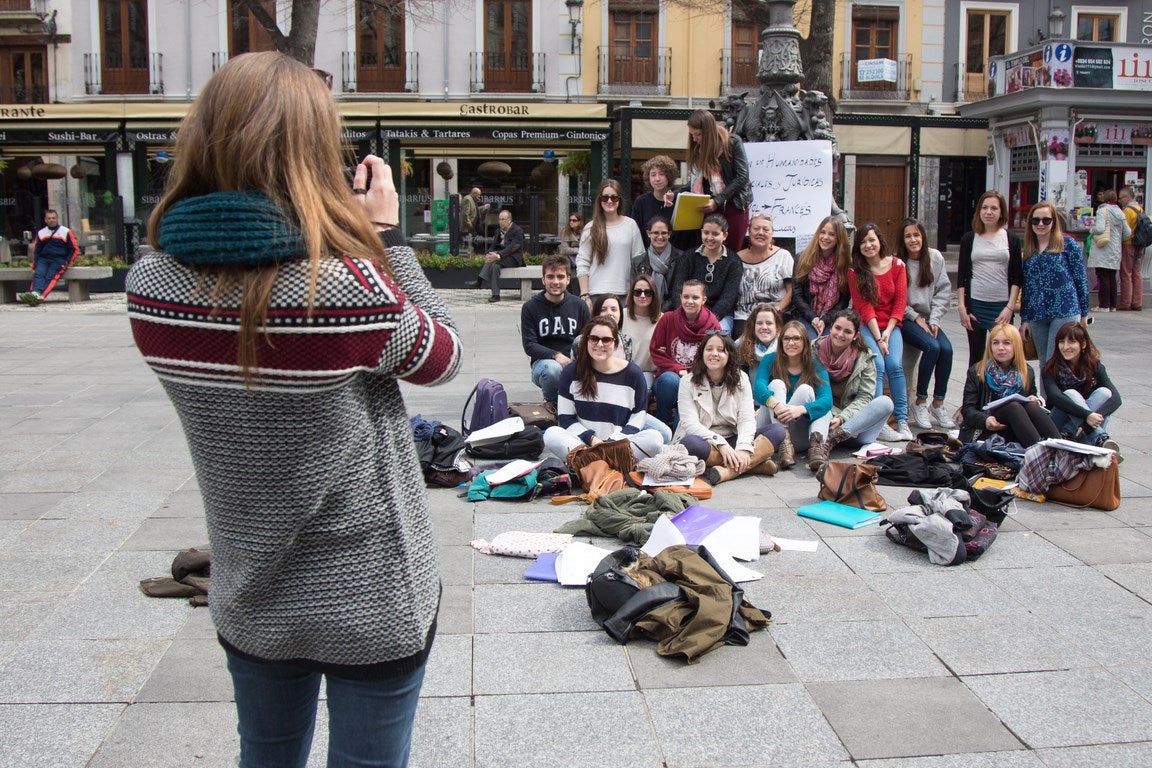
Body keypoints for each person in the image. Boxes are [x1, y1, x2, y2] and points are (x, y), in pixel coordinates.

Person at [124, 52, 462, 767]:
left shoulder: (148, 287)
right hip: (370, 592)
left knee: (266, 756)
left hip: (249, 590)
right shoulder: (345, 292)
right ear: (310, 154)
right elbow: (443, 357)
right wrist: (389, 240)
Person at [544, 317, 665, 462]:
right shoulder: (571, 372)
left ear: (615, 344)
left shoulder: (633, 374)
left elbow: (638, 417)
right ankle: (605, 465)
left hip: (618, 445)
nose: (599, 344)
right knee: (551, 434)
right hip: (584, 444)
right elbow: (566, 418)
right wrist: (592, 440)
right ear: (587, 341)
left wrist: (612, 442)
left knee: (655, 438)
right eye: (594, 339)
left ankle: (591, 466)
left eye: (606, 340)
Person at [674, 332, 788, 485]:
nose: (714, 354)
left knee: (778, 431)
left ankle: (727, 471)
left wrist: (743, 448)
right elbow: (689, 423)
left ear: (729, 355)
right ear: (702, 353)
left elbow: (746, 419)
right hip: (706, 442)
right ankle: (754, 464)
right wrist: (720, 444)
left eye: (721, 350)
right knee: (690, 444)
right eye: (709, 349)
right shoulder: (687, 382)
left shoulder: (741, 378)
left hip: (734, 439)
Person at [848, 223, 913, 440]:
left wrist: (888, 332)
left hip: (892, 326)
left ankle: (902, 420)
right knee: (877, 364)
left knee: (895, 365)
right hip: (868, 326)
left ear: (880, 241)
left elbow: (900, 302)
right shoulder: (855, 271)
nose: (868, 245)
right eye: (863, 242)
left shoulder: (897, 265)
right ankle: (879, 422)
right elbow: (864, 307)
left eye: (871, 240)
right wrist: (878, 337)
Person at [1020, 200, 1090, 383]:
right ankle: (1046, 405)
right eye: (1035, 221)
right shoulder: (1029, 250)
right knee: (1044, 362)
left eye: (1046, 220)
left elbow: (1080, 279)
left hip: (1064, 310)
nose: (1041, 225)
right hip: (1037, 313)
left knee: (1056, 360)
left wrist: (1084, 314)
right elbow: (1027, 287)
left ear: (1054, 222)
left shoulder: (1067, 244)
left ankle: (1059, 403)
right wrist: (1025, 318)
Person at [897, 217, 957, 430]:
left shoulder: (935, 257)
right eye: (908, 236)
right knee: (933, 347)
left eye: (916, 234)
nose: (913, 240)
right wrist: (916, 318)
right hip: (907, 318)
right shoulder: (898, 263)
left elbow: (943, 290)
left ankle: (938, 403)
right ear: (902, 240)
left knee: (947, 349)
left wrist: (934, 319)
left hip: (931, 317)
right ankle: (920, 401)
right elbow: (897, 299)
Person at [958, 323, 1060, 447]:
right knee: (1013, 406)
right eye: (995, 343)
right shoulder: (977, 371)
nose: (1000, 348)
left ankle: (1062, 449)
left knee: (1031, 406)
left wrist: (1035, 399)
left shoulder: (1026, 371)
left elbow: (1031, 396)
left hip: (1016, 430)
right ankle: (1039, 453)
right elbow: (967, 410)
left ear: (1016, 346)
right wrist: (985, 420)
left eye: (1006, 343)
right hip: (986, 429)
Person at [753, 320, 834, 471]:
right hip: (769, 433)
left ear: (804, 341)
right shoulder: (770, 359)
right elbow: (758, 388)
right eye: (787, 338)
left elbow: (827, 400)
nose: (791, 343)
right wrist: (776, 405)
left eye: (796, 338)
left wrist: (800, 409)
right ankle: (783, 438)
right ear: (781, 341)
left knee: (806, 390)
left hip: (797, 435)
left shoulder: (815, 364)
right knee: (776, 384)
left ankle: (810, 448)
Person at [813, 309, 895, 454]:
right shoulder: (813, 349)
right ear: (830, 327)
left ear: (855, 335)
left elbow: (865, 397)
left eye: (847, 331)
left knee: (885, 402)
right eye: (837, 328)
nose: (840, 334)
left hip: (853, 427)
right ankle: (823, 441)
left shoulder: (864, 358)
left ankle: (832, 439)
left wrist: (842, 418)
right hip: (823, 418)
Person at [957, 190, 1023, 367]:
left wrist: (1010, 307)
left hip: (1002, 307)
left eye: (994, 208)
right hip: (976, 305)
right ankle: (973, 395)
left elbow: (1017, 276)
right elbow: (962, 275)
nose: (989, 212)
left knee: (1003, 356)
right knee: (976, 359)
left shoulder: (1012, 239)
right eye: (985, 207)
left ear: (1001, 212)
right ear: (979, 211)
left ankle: (1002, 394)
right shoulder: (969, 239)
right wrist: (962, 307)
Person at [521, 254, 592, 409]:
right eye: (550, 277)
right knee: (553, 370)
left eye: (560, 277)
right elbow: (529, 345)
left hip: (575, 361)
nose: (555, 282)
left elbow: (587, 339)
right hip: (544, 364)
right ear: (543, 280)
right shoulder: (530, 307)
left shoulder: (579, 306)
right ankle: (553, 405)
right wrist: (556, 355)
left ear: (568, 279)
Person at [650, 279, 722, 427]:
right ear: (680, 297)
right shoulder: (668, 319)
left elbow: (716, 356)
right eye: (686, 296)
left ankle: (678, 430)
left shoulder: (713, 324)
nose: (690, 301)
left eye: (695, 297)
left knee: (682, 422)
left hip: (698, 381)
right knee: (671, 380)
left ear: (703, 300)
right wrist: (678, 369)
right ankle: (663, 420)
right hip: (670, 379)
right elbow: (656, 351)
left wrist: (694, 373)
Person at [1041, 322, 1121, 451]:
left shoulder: (1095, 366)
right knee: (1071, 394)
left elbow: (1116, 398)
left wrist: (1089, 422)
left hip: (1082, 428)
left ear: (1083, 344)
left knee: (1105, 393)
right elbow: (1055, 397)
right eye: (1061, 342)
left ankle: (1077, 436)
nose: (1065, 347)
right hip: (1057, 423)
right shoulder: (1050, 368)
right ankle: (1100, 439)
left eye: (1071, 342)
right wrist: (1087, 415)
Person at [685, 108, 752, 252]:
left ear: (709, 132)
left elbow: (742, 177)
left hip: (735, 204)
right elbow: (695, 182)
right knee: (710, 249)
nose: (695, 139)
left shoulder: (732, 142)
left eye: (698, 134)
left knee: (733, 250)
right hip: (711, 206)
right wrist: (675, 192)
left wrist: (717, 201)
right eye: (692, 135)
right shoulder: (698, 150)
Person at [669, 213, 744, 334]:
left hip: (719, 316)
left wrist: (708, 321)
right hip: (687, 311)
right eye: (706, 233)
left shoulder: (733, 261)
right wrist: (684, 316)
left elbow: (728, 298)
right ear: (701, 232)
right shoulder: (688, 256)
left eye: (715, 234)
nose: (709, 237)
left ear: (725, 235)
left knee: (715, 337)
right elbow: (677, 289)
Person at [576, 178, 645, 305]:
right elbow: (582, 262)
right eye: (605, 197)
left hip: (625, 294)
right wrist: (585, 295)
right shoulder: (590, 228)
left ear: (619, 200)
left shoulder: (630, 225)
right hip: (596, 293)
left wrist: (634, 290)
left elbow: (639, 261)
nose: (609, 201)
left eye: (614, 197)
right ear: (599, 200)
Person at [733, 212, 794, 338]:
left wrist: (777, 311)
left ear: (772, 234)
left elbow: (791, 291)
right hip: (745, 315)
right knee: (741, 340)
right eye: (756, 229)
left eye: (765, 229)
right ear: (749, 232)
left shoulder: (783, 256)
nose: (760, 232)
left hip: (776, 313)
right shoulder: (737, 258)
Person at [792, 216, 851, 339]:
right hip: (806, 316)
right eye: (822, 232)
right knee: (811, 341)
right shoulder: (802, 258)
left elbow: (844, 300)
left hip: (832, 318)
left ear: (838, 238)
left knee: (828, 342)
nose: (825, 237)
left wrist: (826, 320)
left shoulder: (845, 264)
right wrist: (813, 317)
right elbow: (797, 295)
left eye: (831, 234)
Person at [18, 208, 79, 306]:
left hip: (59, 260)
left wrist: (67, 261)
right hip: (44, 259)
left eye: (53, 218)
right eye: (49, 218)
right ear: (45, 220)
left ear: (57, 219)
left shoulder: (66, 231)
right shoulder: (41, 233)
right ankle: (34, 294)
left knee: (50, 277)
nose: (51, 220)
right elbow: (37, 250)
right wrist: (35, 264)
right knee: (39, 274)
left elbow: (74, 249)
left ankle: (39, 296)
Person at [1089, 189, 1128, 312]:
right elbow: (1128, 232)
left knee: (1102, 276)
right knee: (1111, 277)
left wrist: (1091, 229)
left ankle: (1103, 305)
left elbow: (1100, 228)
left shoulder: (1102, 210)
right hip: (1115, 248)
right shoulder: (1120, 212)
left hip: (1103, 247)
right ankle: (1112, 305)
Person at [631, 215, 682, 310]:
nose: (660, 237)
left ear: (669, 234)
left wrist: (662, 310)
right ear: (648, 233)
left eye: (664, 233)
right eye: (655, 233)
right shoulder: (637, 262)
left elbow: (680, 291)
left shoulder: (681, 258)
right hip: (645, 311)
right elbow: (635, 291)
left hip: (673, 312)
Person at [475, 209, 524, 302]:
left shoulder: (517, 230)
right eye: (499, 219)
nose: (500, 222)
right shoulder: (498, 231)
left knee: (494, 261)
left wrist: (498, 256)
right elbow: (493, 245)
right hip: (501, 258)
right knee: (494, 266)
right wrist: (489, 254)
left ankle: (480, 280)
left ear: (509, 220)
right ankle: (496, 295)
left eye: (503, 219)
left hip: (514, 258)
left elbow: (512, 248)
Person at [621, 273, 662, 384]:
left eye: (647, 292)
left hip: (647, 373)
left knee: (643, 388)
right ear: (632, 294)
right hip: (622, 370)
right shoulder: (621, 315)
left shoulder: (662, 319)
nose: (642, 296)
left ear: (654, 295)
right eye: (638, 292)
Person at [631, 155, 678, 249]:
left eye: (661, 174)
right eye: (653, 174)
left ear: (669, 176)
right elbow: (636, 233)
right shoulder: (641, 202)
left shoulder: (679, 200)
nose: (657, 179)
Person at [1117, 185, 1145, 311]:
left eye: (1121, 198)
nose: (1120, 200)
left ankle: (1126, 302)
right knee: (1137, 273)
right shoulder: (1140, 208)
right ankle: (1137, 302)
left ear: (1128, 197)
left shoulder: (1128, 211)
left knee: (1126, 273)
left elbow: (1125, 230)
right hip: (1140, 244)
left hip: (1129, 244)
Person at [736, 302, 783, 375]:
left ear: (777, 327)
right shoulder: (741, 345)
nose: (764, 327)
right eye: (759, 323)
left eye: (769, 323)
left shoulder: (785, 347)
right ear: (753, 326)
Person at [459, 186, 481, 252]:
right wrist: (469, 225)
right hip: (468, 227)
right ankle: (473, 256)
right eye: (478, 194)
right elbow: (465, 214)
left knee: (473, 242)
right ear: (474, 193)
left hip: (471, 226)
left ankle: (473, 255)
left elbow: (474, 210)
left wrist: (483, 207)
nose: (479, 196)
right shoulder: (468, 199)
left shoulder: (472, 199)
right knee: (472, 242)